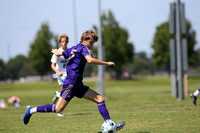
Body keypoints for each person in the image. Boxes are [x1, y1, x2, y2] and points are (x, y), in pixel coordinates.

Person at [23, 30, 125, 131]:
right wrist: (106, 63)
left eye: (93, 43)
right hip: (71, 84)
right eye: (91, 42)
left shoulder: (74, 48)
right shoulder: (83, 48)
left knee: (100, 99)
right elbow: (90, 60)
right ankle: (31, 110)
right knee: (58, 109)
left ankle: (110, 124)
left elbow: (62, 53)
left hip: (78, 85)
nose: (92, 45)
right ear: (85, 40)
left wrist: (56, 52)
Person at [51, 34, 68, 116]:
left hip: (68, 74)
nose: (64, 43)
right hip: (60, 74)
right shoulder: (57, 52)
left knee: (66, 92)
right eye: (62, 41)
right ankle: (59, 111)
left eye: (65, 41)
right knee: (65, 91)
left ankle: (57, 95)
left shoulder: (68, 51)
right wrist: (58, 72)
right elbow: (52, 65)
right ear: (60, 43)